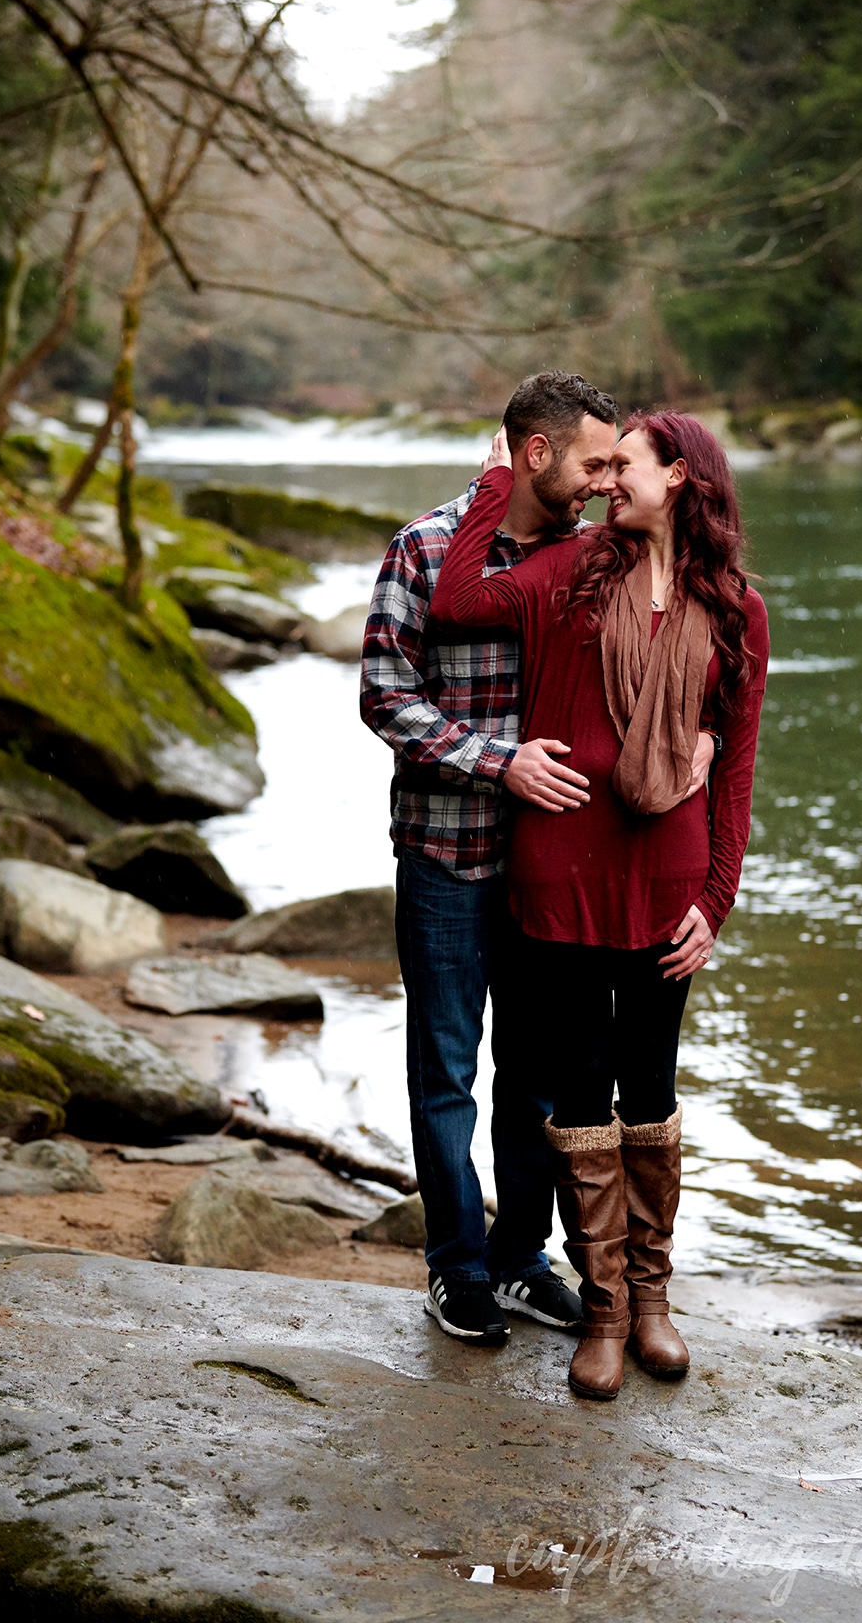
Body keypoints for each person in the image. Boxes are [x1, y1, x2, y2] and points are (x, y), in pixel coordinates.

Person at [430, 410, 768, 1400]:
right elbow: (456, 604)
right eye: (604, 464)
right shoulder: (576, 574)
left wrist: (719, 897)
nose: (606, 481)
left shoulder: (738, 609)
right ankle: (605, 1310)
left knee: (651, 1089)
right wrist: (495, 486)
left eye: (626, 465)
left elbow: (737, 773)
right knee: (577, 1090)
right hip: (560, 876)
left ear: (682, 479)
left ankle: (656, 1300)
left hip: (668, 886)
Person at [359, 371, 620, 1346]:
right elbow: (385, 697)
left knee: (539, 1082)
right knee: (446, 1072)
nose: (602, 480)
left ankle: (520, 1261)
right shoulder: (425, 549)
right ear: (537, 452)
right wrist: (497, 763)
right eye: (591, 460)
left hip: (552, 868)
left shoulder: (593, 560)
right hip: (446, 857)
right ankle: (456, 1266)